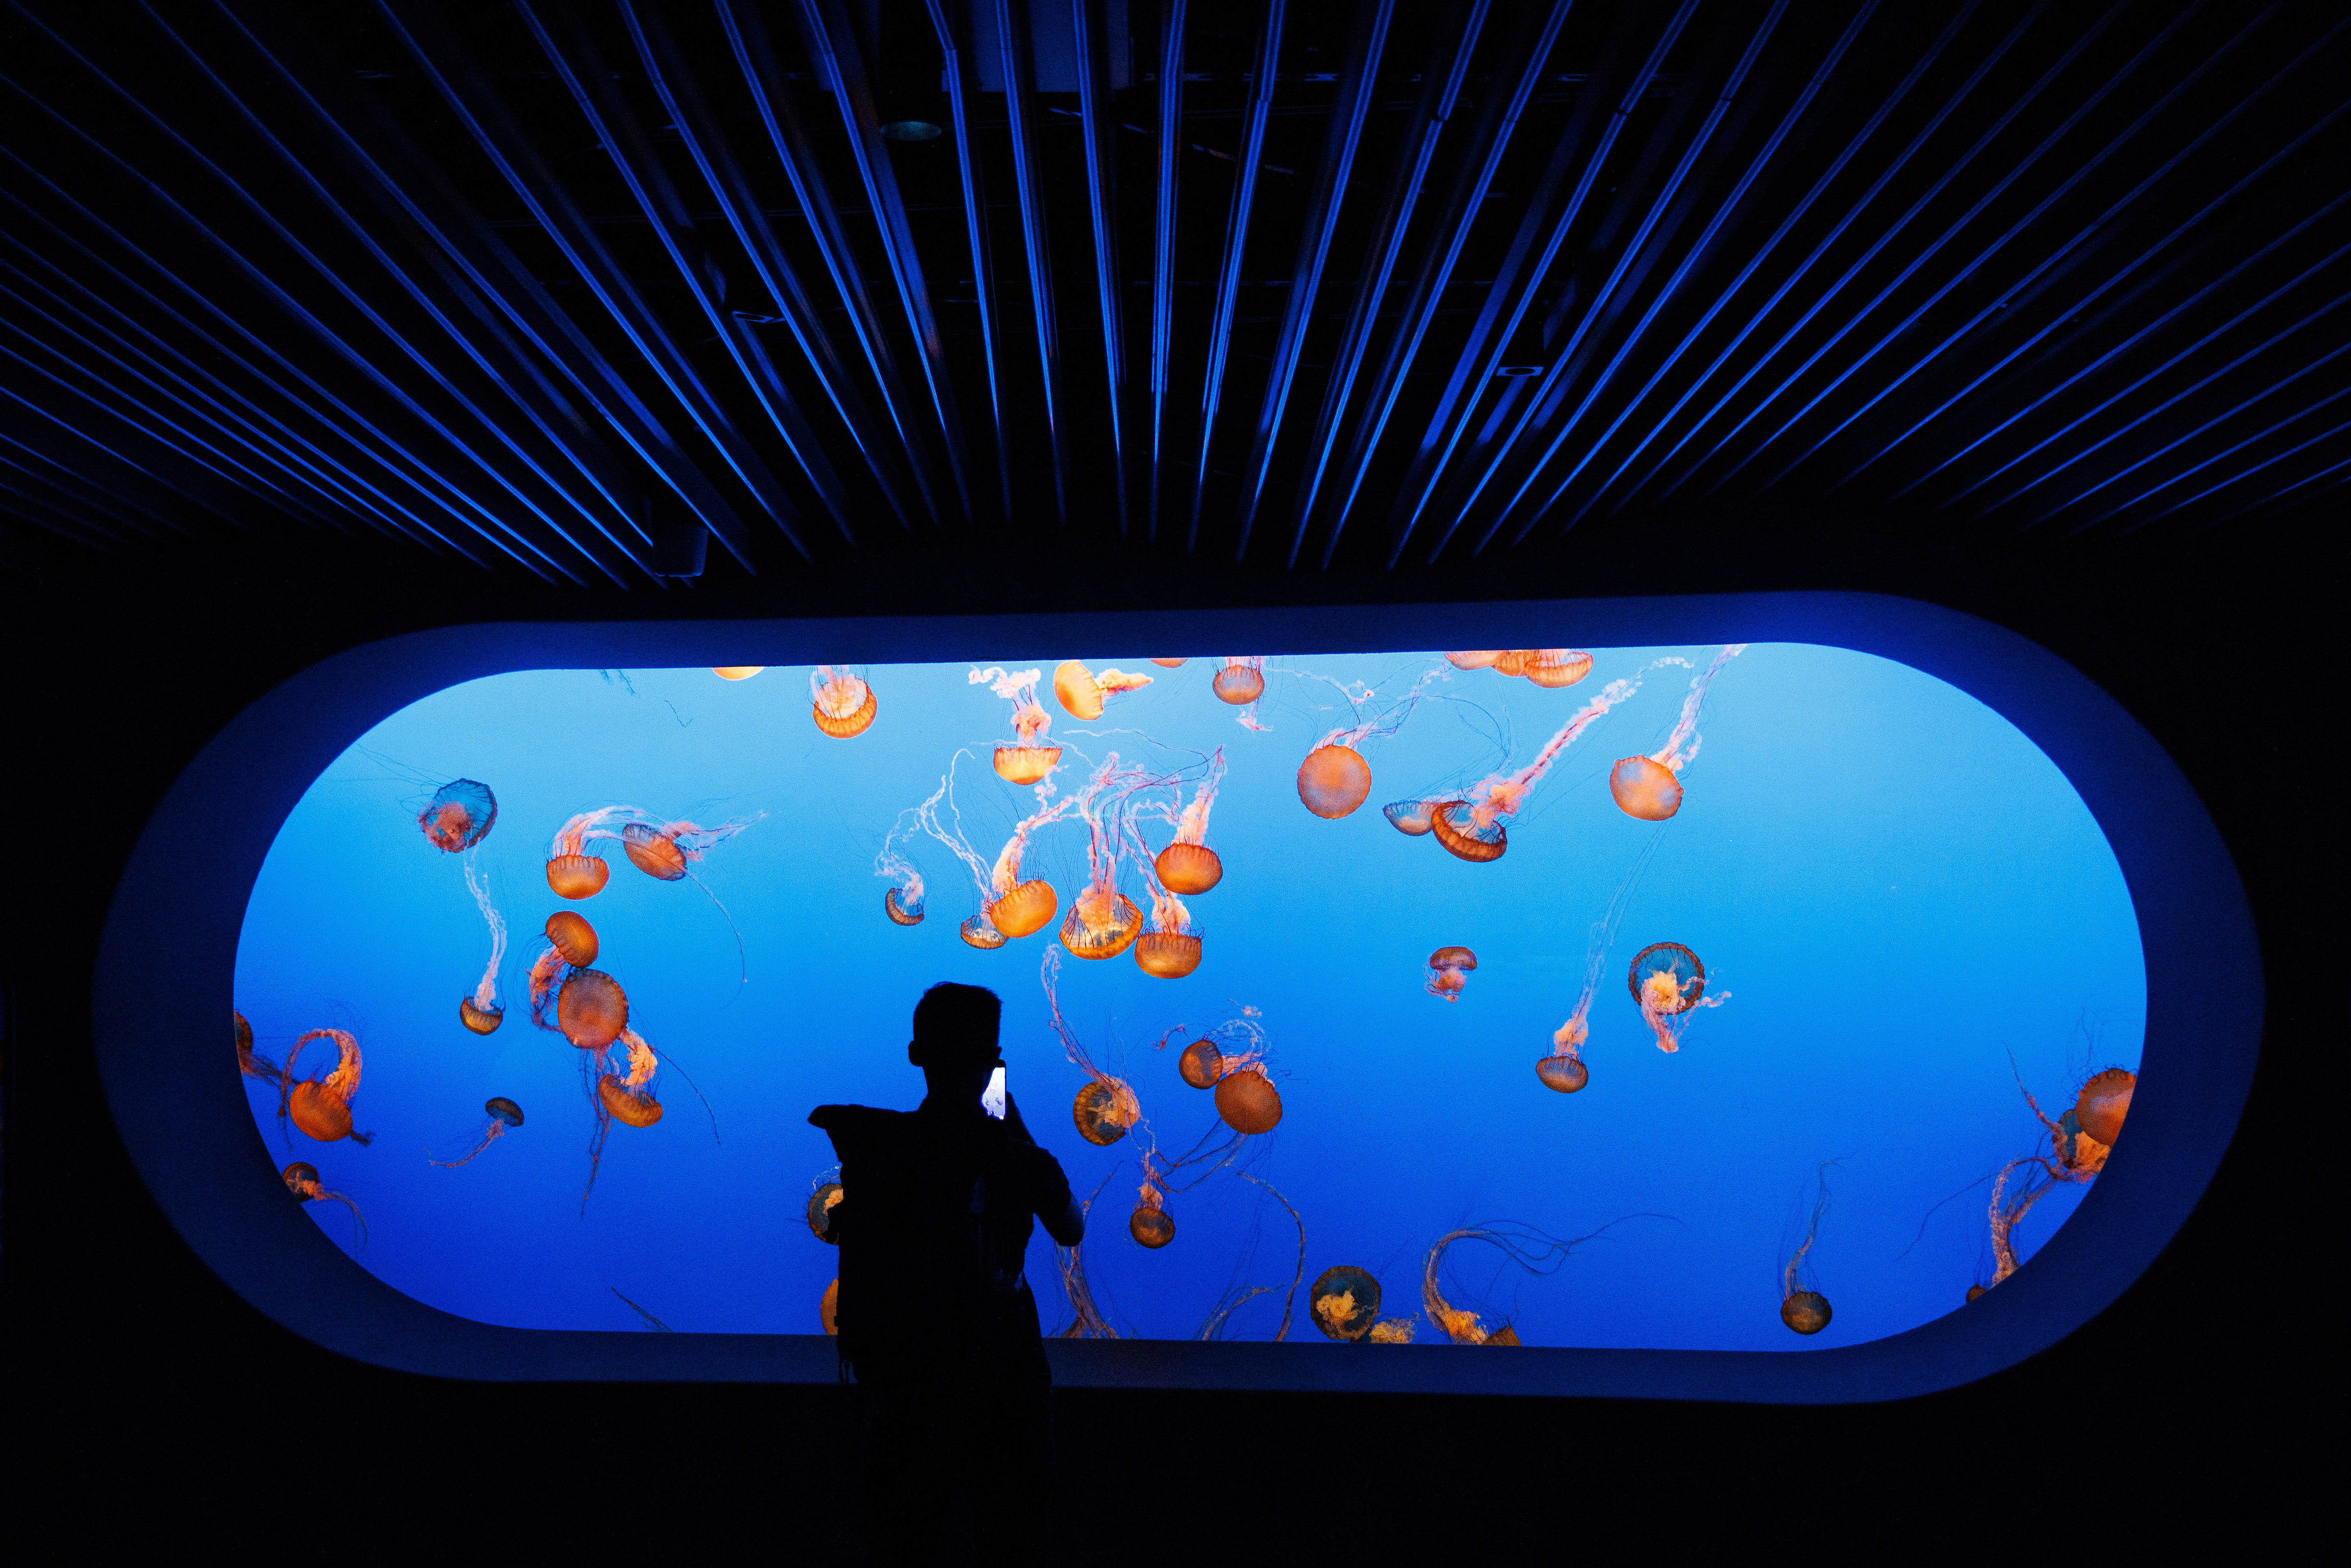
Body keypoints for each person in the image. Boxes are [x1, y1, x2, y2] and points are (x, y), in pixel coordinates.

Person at [809, 982, 1085, 1565]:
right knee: (1014, 1547)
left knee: (899, 1546)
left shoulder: (878, 1150)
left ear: (917, 1055)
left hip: (906, 1390)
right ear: (994, 1064)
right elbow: (1071, 1228)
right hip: (1003, 1390)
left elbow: (846, 1231)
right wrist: (1014, 1127)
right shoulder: (1020, 1159)